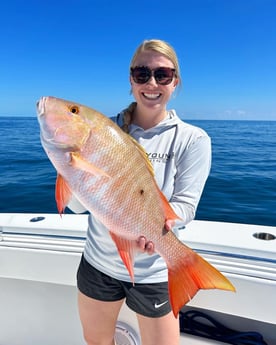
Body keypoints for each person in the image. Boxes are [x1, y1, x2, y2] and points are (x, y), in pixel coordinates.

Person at [69, 39, 211, 345]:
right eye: (142, 73)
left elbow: (185, 206)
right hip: (98, 264)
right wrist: (70, 167)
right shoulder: (102, 131)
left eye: (162, 74)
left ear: (176, 81)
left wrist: (157, 229)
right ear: (131, 79)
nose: (152, 83)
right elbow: (78, 208)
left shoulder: (192, 139)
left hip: (155, 271)